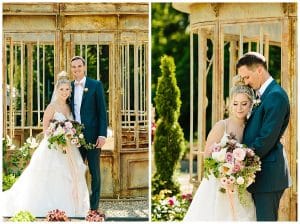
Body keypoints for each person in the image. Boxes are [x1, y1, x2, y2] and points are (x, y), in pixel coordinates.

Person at [0, 71, 90, 217]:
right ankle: (47, 206)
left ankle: (68, 208)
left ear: (70, 91)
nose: (64, 92)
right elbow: (45, 128)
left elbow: (72, 124)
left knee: (69, 177)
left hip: (68, 147)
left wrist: (69, 134)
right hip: (53, 147)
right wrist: (57, 136)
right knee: (50, 175)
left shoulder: (69, 107)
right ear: (57, 90)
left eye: (67, 89)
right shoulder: (52, 106)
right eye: (62, 89)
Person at [183, 77, 256, 221]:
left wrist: (240, 172)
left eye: (244, 104)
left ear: (251, 105)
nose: (239, 108)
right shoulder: (221, 126)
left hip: (240, 184)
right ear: (230, 104)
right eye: (235, 104)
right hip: (218, 184)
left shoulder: (250, 127)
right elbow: (208, 155)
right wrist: (222, 172)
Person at [237, 52, 291, 221]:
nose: (246, 82)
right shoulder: (263, 95)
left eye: (247, 77)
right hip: (260, 175)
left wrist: (238, 160)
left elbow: (266, 138)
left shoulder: (275, 95)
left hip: (268, 176)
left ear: (259, 70)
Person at [70, 56, 108, 212]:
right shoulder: (69, 87)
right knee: (76, 172)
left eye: (79, 66)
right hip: (74, 137)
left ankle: (93, 208)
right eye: (74, 67)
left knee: (94, 172)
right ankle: (78, 205)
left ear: (84, 67)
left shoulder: (95, 85)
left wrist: (102, 134)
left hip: (93, 137)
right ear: (71, 69)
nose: (77, 69)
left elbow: (102, 112)